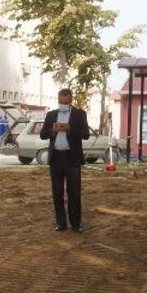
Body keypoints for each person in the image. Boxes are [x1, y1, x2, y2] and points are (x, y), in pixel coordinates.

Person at [40, 88, 90, 232]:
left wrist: (69, 129)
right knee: (57, 192)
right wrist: (53, 130)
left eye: (65, 99)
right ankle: (60, 223)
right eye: (60, 99)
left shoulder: (80, 114)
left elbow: (86, 134)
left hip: (72, 158)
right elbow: (43, 135)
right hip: (56, 158)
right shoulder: (51, 115)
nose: (62, 102)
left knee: (74, 193)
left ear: (70, 99)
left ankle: (76, 224)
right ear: (58, 99)